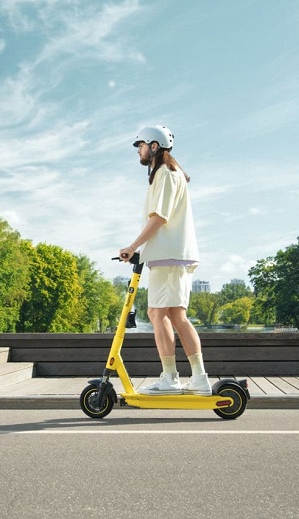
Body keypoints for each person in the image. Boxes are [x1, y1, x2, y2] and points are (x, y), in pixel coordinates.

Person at [119, 125, 212, 396]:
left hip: (170, 256)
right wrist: (140, 250)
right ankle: (197, 378)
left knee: (160, 314)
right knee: (172, 314)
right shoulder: (169, 174)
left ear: (155, 146)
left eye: (141, 145)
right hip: (169, 255)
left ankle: (173, 378)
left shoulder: (165, 174)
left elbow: (159, 217)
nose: (139, 149)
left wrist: (133, 245)